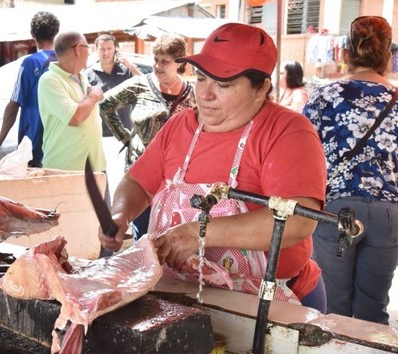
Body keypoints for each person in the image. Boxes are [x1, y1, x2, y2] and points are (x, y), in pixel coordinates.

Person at [99, 23, 328, 312]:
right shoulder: (181, 125)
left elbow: (298, 221)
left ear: (262, 88)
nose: (205, 94)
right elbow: (138, 182)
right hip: (186, 295)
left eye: (223, 85)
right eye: (202, 79)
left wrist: (200, 233)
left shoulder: (288, 132)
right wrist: (120, 214)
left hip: (272, 303)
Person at [302, 16, 398, 324]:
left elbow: (302, 163)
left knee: (334, 309)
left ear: (345, 54)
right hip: (390, 217)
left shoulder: (323, 97)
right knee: (374, 312)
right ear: (388, 55)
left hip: (333, 213)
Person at [99, 33, 196, 241]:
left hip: (177, 179)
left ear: (179, 64)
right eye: (156, 60)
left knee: (172, 235)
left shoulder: (193, 93)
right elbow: (105, 105)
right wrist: (124, 137)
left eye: (165, 62)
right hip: (141, 176)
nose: (158, 66)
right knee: (142, 236)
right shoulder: (140, 85)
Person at [0, 11, 60, 167]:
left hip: (33, 145)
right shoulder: (66, 61)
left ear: (32, 34)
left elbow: (13, 105)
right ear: (57, 32)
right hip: (60, 143)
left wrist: (0, 139)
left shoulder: (30, 63)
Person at [38, 31, 106, 173]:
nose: (89, 53)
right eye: (88, 48)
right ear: (78, 49)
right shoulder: (50, 80)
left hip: (95, 167)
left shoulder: (81, 76)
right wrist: (93, 96)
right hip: (65, 170)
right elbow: (75, 117)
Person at [85, 33, 142, 138]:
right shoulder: (88, 74)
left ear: (115, 49)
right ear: (96, 50)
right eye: (102, 49)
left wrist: (130, 66)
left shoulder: (126, 71)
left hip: (126, 134)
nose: (106, 52)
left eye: (109, 48)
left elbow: (146, 84)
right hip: (99, 135)